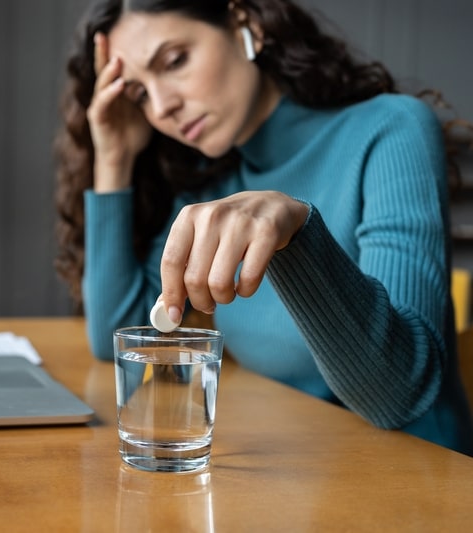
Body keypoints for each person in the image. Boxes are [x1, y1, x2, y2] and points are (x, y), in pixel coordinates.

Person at [53, 0, 473, 456]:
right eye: (138, 94)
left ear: (243, 23)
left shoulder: (391, 129)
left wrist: (297, 231)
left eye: (174, 61)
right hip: (293, 474)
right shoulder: (211, 185)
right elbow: (120, 334)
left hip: (418, 487)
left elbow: (397, 397)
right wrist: (114, 158)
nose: (162, 105)